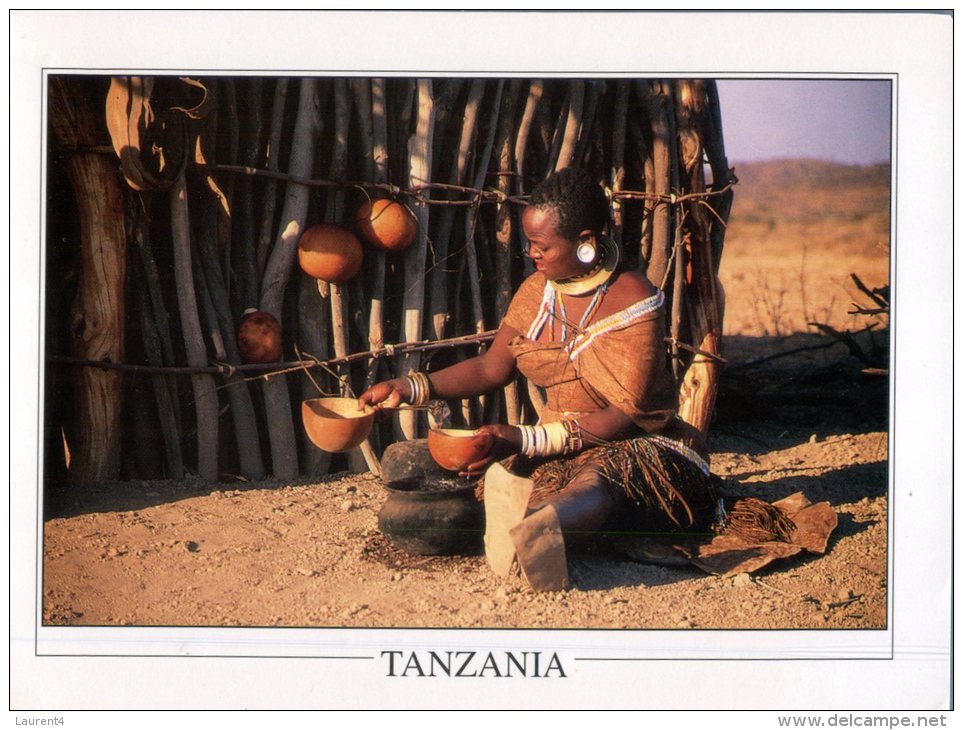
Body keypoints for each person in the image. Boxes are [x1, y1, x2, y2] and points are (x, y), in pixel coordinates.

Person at [360, 167, 720, 591]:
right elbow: (492, 366)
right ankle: (512, 522)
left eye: (542, 245)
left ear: (585, 242)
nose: (532, 253)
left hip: (634, 445)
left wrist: (524, 440)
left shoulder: (633, 299)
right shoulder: (539, 290)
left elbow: (624, 416)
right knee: (417, 460)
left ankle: (535, 529)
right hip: (553, 447)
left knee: (599, 482)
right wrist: (411, 387)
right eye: (530, 243)